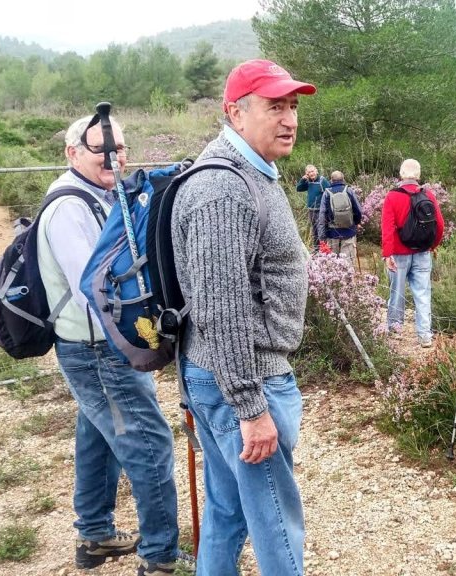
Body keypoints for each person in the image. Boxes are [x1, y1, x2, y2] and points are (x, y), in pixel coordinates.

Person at [170, 59, 315, 575]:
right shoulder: (224, 189)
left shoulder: (251, 172)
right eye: (275, 106)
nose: (290, 118)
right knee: (277, 522)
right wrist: (252, 409)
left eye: (293, 106)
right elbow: (222, 309)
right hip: (242, 380)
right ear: (235, 113)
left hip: (225, 375)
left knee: (228, 511)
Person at [38, 115, 181, 574]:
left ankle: (95, 535)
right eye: (100, 148)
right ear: (72, 152)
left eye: (119, 147)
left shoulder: (102, 196)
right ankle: (160, 558)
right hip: (99, 350)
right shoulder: (68, 208)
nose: (113, 157)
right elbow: (96, 290)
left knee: (98, 438)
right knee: (148, 442)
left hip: (99, 346)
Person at [381, 158, 445, 348]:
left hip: (398, 255)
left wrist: (387, 254)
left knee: (397, 293)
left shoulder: (392, 196)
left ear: (401, 174)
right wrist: (432, 246)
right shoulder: (429, 195)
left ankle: (395, 331)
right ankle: (425, 336)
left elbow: (387, 227)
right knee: (423, 294)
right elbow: (440, 225)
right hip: (423, 253)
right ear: (418, 175)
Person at [316, 170, 362, 268]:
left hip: (332, 233)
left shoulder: (326, 193)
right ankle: (348, 282)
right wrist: (356, 223)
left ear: (331, 180)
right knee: (347, 265)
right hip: (349, 232)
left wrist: (322, 237)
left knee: (332, 265)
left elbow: (322, 216)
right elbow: (358, 210)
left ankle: (335, 283)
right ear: (343, 179)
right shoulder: (349, 190)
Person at [296, 163, 329, 251]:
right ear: (307, 174)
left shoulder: (322, 180)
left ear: (316, 171)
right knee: (314, 232)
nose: (311, 173)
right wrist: (303, 179)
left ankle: (324, 252)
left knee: (321, 232)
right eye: (309, 172)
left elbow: (329, 193)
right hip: (311, 211)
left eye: (313, 171)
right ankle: (316, 251)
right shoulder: (308, 182)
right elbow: (298, 189)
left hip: (320, 211)